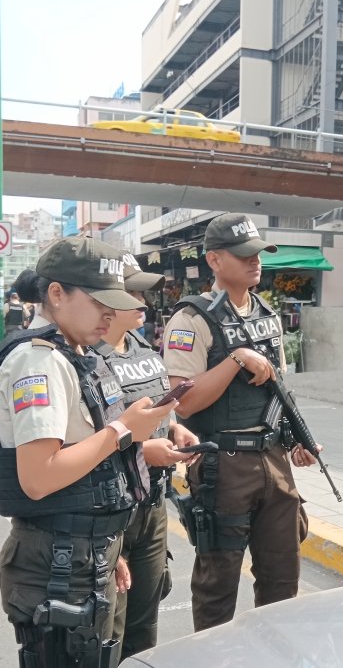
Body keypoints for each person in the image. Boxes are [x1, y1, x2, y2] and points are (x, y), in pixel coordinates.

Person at [0, 236, 177, 666]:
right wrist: (126, 430)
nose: (110, 313)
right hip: (59, 564)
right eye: (99, 301)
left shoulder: (75, 354)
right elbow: (39, 477)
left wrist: (108, 548)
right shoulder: (39, 362)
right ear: (56, 294)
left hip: (83, 554)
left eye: (115, 303)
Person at [161, 213, 316, 631]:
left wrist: (295, 437)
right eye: (243, 254)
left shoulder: (267, 314)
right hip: (223, 465)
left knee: (283, 578)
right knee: (218, 585)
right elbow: (186, 403)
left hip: (274, 458)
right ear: (214, 260)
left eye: (259, 254)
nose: (255, 262)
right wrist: (235, 359)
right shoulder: (191, 319)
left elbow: (279, 386)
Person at [96, 253, 200, 658]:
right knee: (110, 627)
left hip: (153, 507)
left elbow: (158, 407)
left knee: (145, 622)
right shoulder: (88, 359)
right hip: (113, 509)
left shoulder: (141, 347)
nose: (144, 301)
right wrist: (142, 450)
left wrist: (174, 428)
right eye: (134, 291)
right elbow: (90, 439)